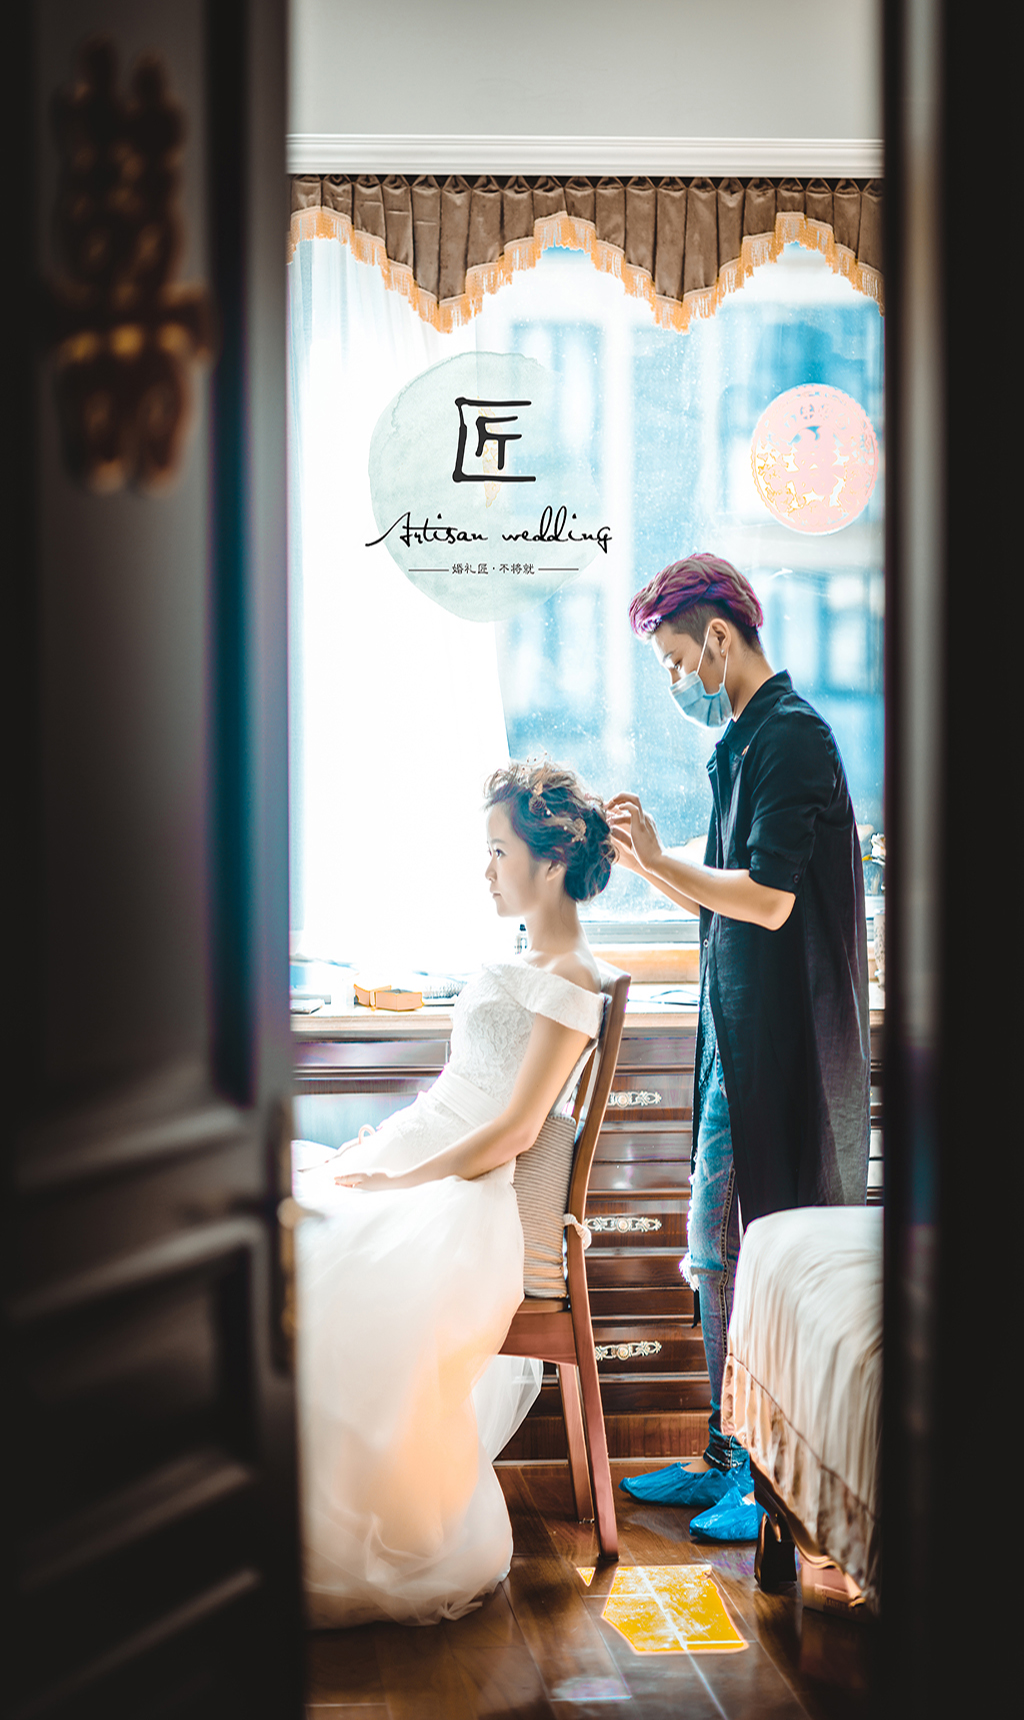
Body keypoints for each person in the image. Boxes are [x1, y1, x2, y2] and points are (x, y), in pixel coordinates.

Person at [294, 762, 616, 1627]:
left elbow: (514, 1130)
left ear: (553, 860)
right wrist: (386, 1143)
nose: (486, 871)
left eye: (499, 852)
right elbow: (459, 1088)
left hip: (470, 1195)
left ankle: (340, 1524)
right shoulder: (528, 956)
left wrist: (400, 1177)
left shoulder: (572, 978)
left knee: (313, 1259)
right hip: (433, 1155)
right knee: (284, 1209)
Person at [607, 553, 869, 1540]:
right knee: (714, 1248)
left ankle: (760, 1477)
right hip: (735, 1033)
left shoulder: (791, 738)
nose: (678, 682)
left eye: (678, 661)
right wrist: (648, 864)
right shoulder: (746, 741)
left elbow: (766, 900)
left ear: (718, 637)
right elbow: (726, 898)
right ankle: (728, 1451)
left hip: (780, 1041)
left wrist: (662, 861)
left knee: (750, 1252)